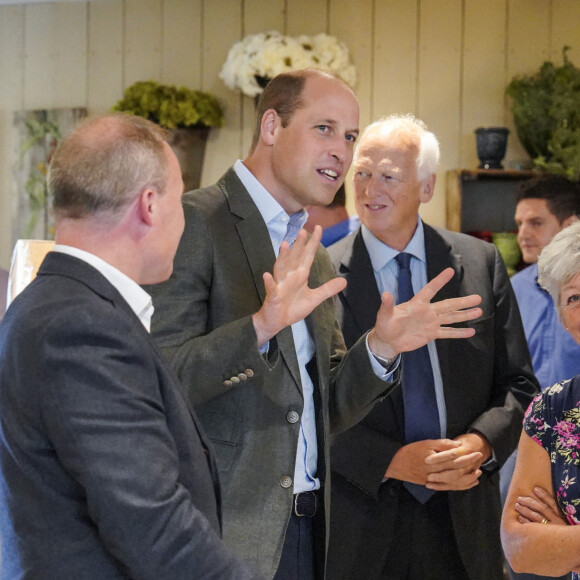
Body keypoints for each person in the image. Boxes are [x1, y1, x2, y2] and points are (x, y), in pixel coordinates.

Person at [146, 70, 483, 580]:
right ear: (271, 127)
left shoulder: (312, 252)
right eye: (324, 129)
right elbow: (158, 381)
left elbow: (329, 406)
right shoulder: (195, 222)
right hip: (219, 536)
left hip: (312, 533)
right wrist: (259, 327)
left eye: (349, 136)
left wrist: (382, 348)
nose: (341, 152)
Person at [0, 114, 262, 579]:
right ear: (149, 205)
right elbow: (152, 523)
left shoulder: (58, 303)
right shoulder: (80, 325)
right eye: (179, 199)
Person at [324, 114, 539, 580]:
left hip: (463, 513)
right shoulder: (320, 274)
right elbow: (305, 406)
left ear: (425, 187)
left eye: (388, 176)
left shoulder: (479, 263)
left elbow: (518, 384)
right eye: (361, 173)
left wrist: (480, 444)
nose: (369, 188)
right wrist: (394, 462)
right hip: (361, 519)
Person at [501, 175, 580, 580]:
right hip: (530, 447)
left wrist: (568, 538)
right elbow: (523, 547)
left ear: (569, 225)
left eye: (535, 223)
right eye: (572, 299)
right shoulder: (511, 291)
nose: (522, 235)